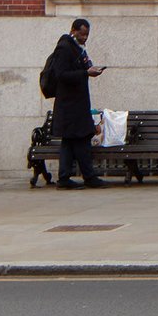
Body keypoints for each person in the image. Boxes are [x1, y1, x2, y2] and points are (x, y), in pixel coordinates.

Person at [44, 19, 106, 189]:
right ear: (73, 31)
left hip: (76, 103)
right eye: (82, 34)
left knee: (76, 139)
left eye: (87, 35)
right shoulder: (64, 48)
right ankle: (76, 177)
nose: (85, 37)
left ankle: (77, 176)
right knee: (76, 139)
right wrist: (85, 73)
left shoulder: (78, 48)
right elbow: (61, 74)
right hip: (69, 104)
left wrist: (90, 70)